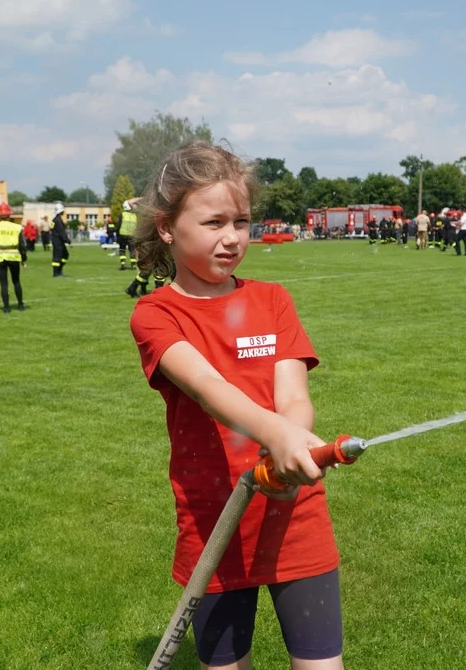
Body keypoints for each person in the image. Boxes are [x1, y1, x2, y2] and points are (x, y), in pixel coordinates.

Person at [129, 141, 344, 670]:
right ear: (166, 227)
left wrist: (292, 446)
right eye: (213, 223)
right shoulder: (156, 314)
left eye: (242, 222)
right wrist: (280, 435)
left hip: (295, 519)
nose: (232, 239)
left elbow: (293, 395)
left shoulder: (273, 300)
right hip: (214, 526)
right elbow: (208, 387)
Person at [0, 202, 27, 313]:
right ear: (9, 215)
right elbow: (22, 245)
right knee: (16, 281)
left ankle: (6, 308)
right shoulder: (17, 227)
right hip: (14, 256)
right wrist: (23, 259)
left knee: (4, 283)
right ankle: (21, 304)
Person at [50, 202, 70, 277]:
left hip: (57, 240)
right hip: (57, 241)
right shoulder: (57, 220)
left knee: (65, 255)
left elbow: (52, 229)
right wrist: (68, 241)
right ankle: (56, 273)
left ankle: (59, 270)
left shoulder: (55, 219)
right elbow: (61, 231)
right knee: (57, 257)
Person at [119, 199, 139, 270]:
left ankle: (123, 263)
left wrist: (117, 236)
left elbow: (119, 225)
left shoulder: (123, 214)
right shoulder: (134, 216)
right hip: (132, 235)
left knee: (122, 249)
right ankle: (133, 265)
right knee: (132, 250)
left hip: (122, 235)